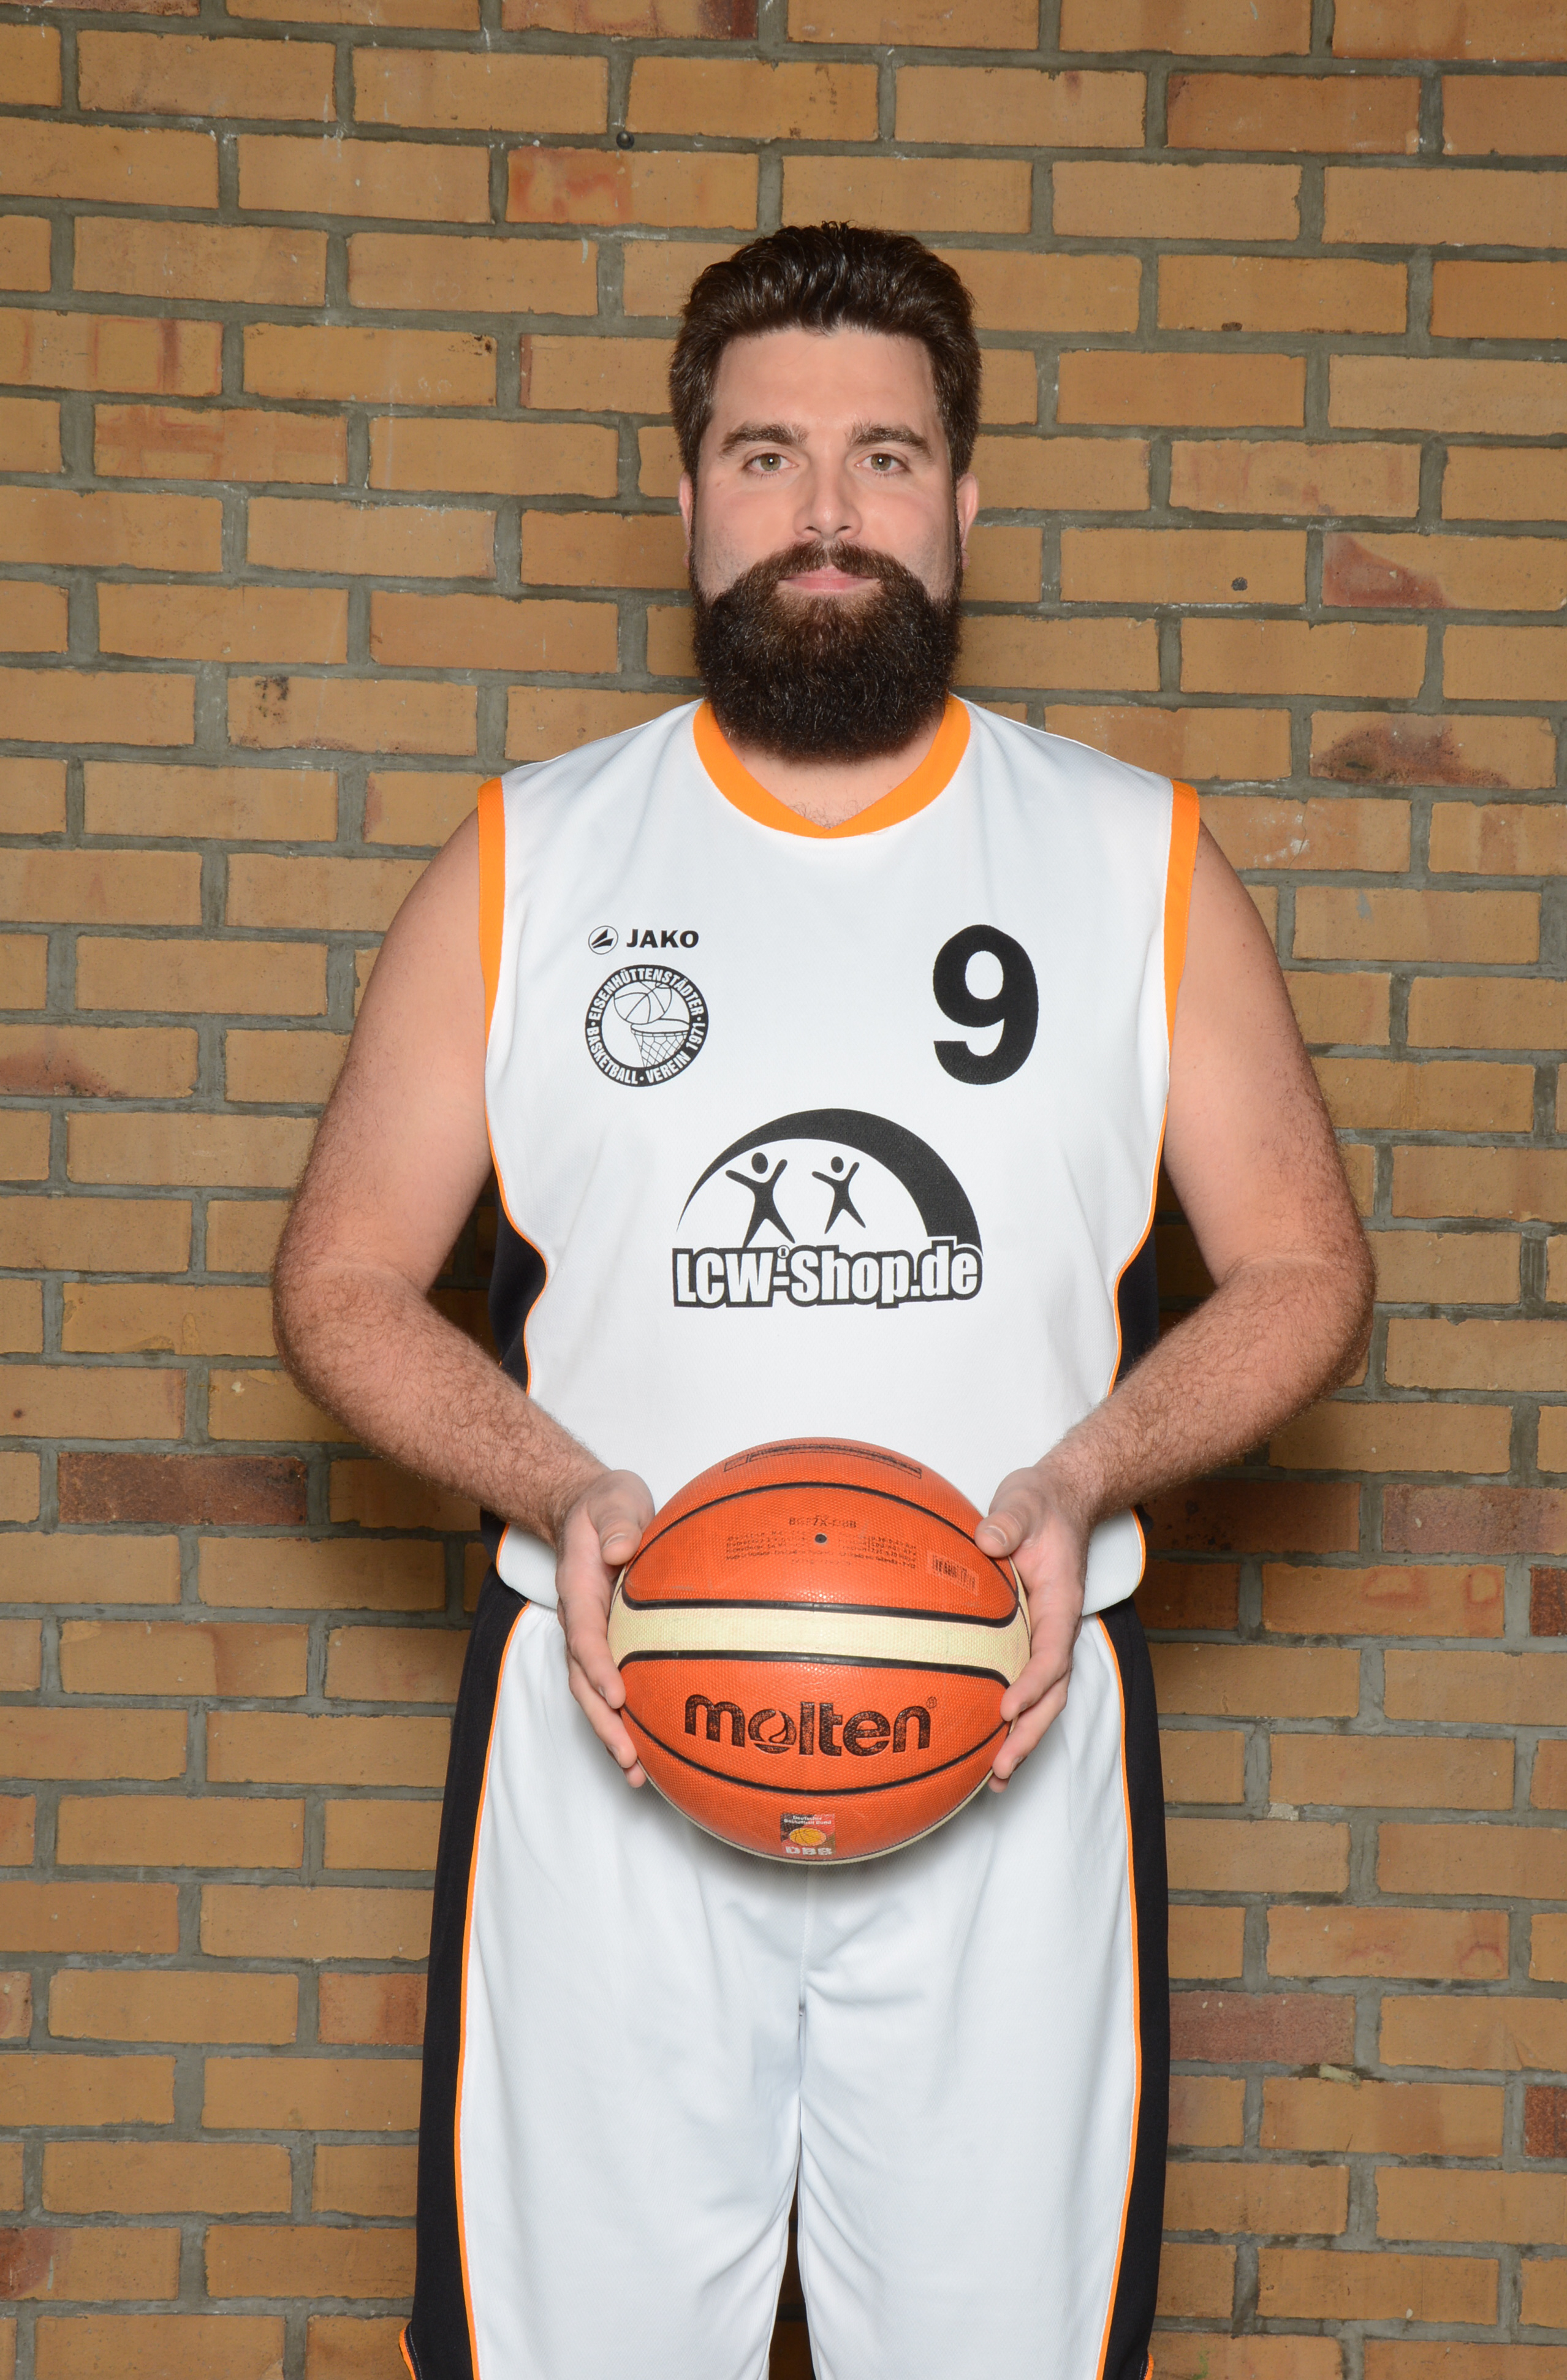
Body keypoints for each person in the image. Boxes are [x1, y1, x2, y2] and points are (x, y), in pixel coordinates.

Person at [273, 222, 1373, 2380]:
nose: (828, 511)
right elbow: (339, 1278)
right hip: (608, 1739)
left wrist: (1085, 1470)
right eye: (768, 455)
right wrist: (564, 1481)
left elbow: (1306, 1267)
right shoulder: (530, 860)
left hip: (1005, 1741)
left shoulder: (1131, 857)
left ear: (966, 500)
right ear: (688, 494)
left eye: (886, 455)